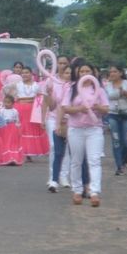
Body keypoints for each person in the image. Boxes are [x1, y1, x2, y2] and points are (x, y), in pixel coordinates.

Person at [62, 62, 109, 207]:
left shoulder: (99, 89)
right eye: (81, 71)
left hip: (94, 129)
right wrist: (79, 109)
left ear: (93, 72)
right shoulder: (72, 88)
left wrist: (97, 107)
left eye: (87, 70)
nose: (84, 73)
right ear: (78, 73)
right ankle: (77, 190)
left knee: (94, 160)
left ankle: (94, 192)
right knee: (76, 160)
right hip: (76, 129)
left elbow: (106, 109)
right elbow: (65, 108)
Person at [42, 55, 71, 191]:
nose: (62, 65)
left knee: (67, 148)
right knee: (54, 146)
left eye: (65, 63)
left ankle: (64, 175)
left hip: (70, 119)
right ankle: (53, 176)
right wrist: (42, 118)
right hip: (53, 118)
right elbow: (49, 105)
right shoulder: (51, 81)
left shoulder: (73, 83)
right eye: (60, 63)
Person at [104, 65, 127, 175]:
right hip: (113, 115)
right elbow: (107, 97)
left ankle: (123, 161)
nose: (112, 74)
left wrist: (126, 93)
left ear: (120, 73)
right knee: (116, 141)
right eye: (111, 72)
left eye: (115, 71)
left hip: (126, 115)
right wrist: (119, 93)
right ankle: (119, 166)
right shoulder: (107, 86)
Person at [11, 66, 49, 160]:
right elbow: (10, 95)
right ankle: (22, 151)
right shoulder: (17, 84)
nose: (25, 74)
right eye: (23, 73)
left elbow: (41, 98)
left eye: (27, 72)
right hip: (20, 108)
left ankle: (29, 151)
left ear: (31, 74)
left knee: (31, 129)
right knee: (21, 129)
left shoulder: (37, 85)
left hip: (33, 110)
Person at [0, 95, 23, 166]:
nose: (6, 104)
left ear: (13, 103)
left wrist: (18, 130)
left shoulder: (15, 111)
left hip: (12, 129)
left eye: (8, 102)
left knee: (11, 143)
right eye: (5, 102)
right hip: (3, 129)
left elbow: (17, 121)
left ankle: (12, 158)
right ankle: (4, 159)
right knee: (5, 143)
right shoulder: (1, 110)